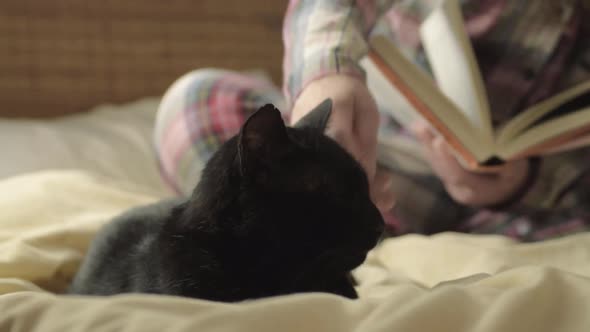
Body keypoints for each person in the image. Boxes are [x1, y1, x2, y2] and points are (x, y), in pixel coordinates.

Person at [155, 0, 590, 241]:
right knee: (196, 103)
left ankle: (321, 237)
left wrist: (521, 185)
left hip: (517, 210)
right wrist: (328, 75)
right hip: (371, 146)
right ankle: (294, 229)